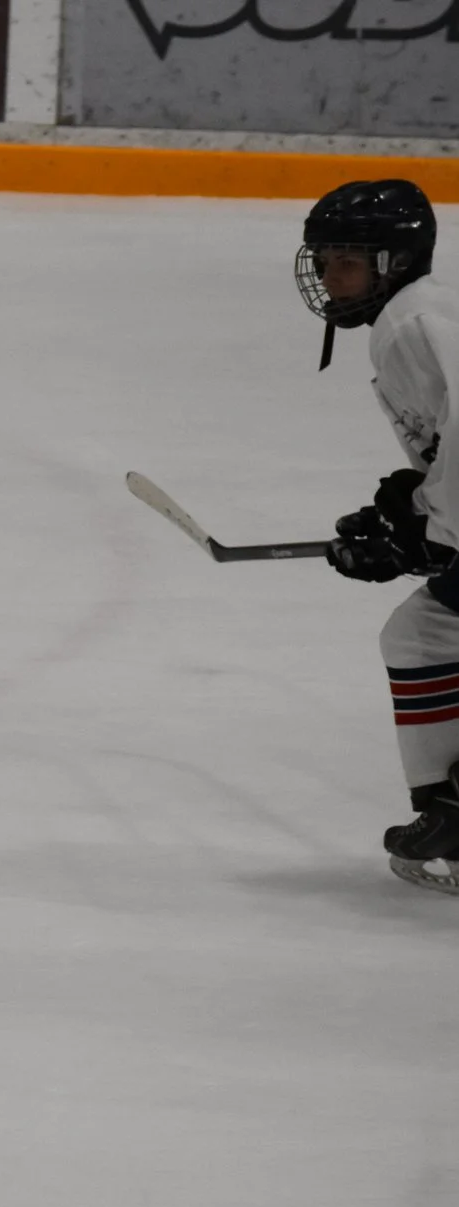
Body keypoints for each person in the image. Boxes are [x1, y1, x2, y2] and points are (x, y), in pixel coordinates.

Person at [305, 181, 459, 892]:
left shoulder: (414, 323)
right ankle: (448, 812)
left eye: (346, 261)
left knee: (427, 632)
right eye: (324, 260)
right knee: (424, 634)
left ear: (393, 262)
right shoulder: (416, 315)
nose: (329, 276)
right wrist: (412, 514)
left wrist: (430, 529)